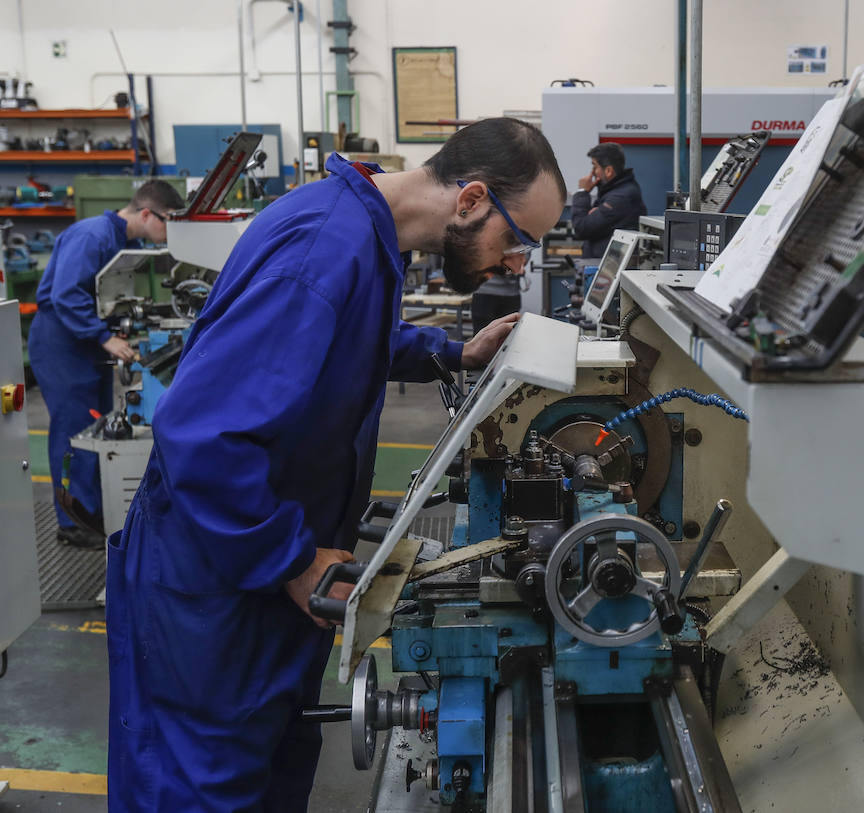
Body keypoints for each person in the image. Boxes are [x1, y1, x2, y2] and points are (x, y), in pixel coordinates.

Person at [105, 117, 566, 811]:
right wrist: (292, 560)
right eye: (519, 239)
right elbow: (201, 434)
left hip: (265, 565)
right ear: (471, 199)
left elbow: (350, 339)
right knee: (204, 783)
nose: (516, 264)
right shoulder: (325, 246)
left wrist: (449, 351)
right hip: (218, 579)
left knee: (268, 767)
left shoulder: (359, 231)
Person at [27, 180, 185, 548]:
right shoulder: (92, 236)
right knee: (74, 429)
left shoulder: (125, 243)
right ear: (146, 213)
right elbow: (66, 296)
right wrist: (103, 337)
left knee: (98, 427)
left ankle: (93, 509)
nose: (168, 231)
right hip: (61, 341)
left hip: (87, 341)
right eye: (167, 222)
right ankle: (71, 521)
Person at [570, 142, 647, 259]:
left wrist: (582, 192)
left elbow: (582, 228)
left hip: (609, 269)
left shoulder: (620, 197)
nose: (593, 173)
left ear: (608, 171)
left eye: (595, 167)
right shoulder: (614, 191)